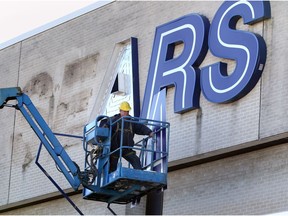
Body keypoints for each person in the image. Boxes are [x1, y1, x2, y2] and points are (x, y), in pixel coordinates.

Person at [106, 101, 153, 173]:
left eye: (127, 111)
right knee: (112, 167)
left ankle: (140, 176)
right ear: (120, 111)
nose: (126, 113)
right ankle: (111, 180)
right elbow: (106, 127)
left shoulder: (132, 122)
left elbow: (140, 127)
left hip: (127, 149)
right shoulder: (114, 121)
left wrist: (149, 132)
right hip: (115, 149)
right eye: (124, 111)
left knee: (136, 161)